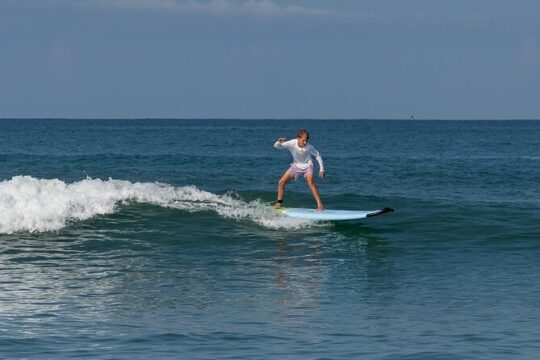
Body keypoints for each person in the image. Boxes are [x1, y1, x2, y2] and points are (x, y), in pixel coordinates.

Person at [273, 129, 325, 211]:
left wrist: (321, 169)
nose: (305, 142)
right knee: (281, 182)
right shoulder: (292, 143)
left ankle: (320, 205)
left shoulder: (309, 147)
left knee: (310, 181)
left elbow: (317, 156)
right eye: (303, 140)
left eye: (307, 140)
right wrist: (279, 142)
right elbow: (276, 146)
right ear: (298, 138)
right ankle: (279, 202)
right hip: (296, 166)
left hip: (308, 165)